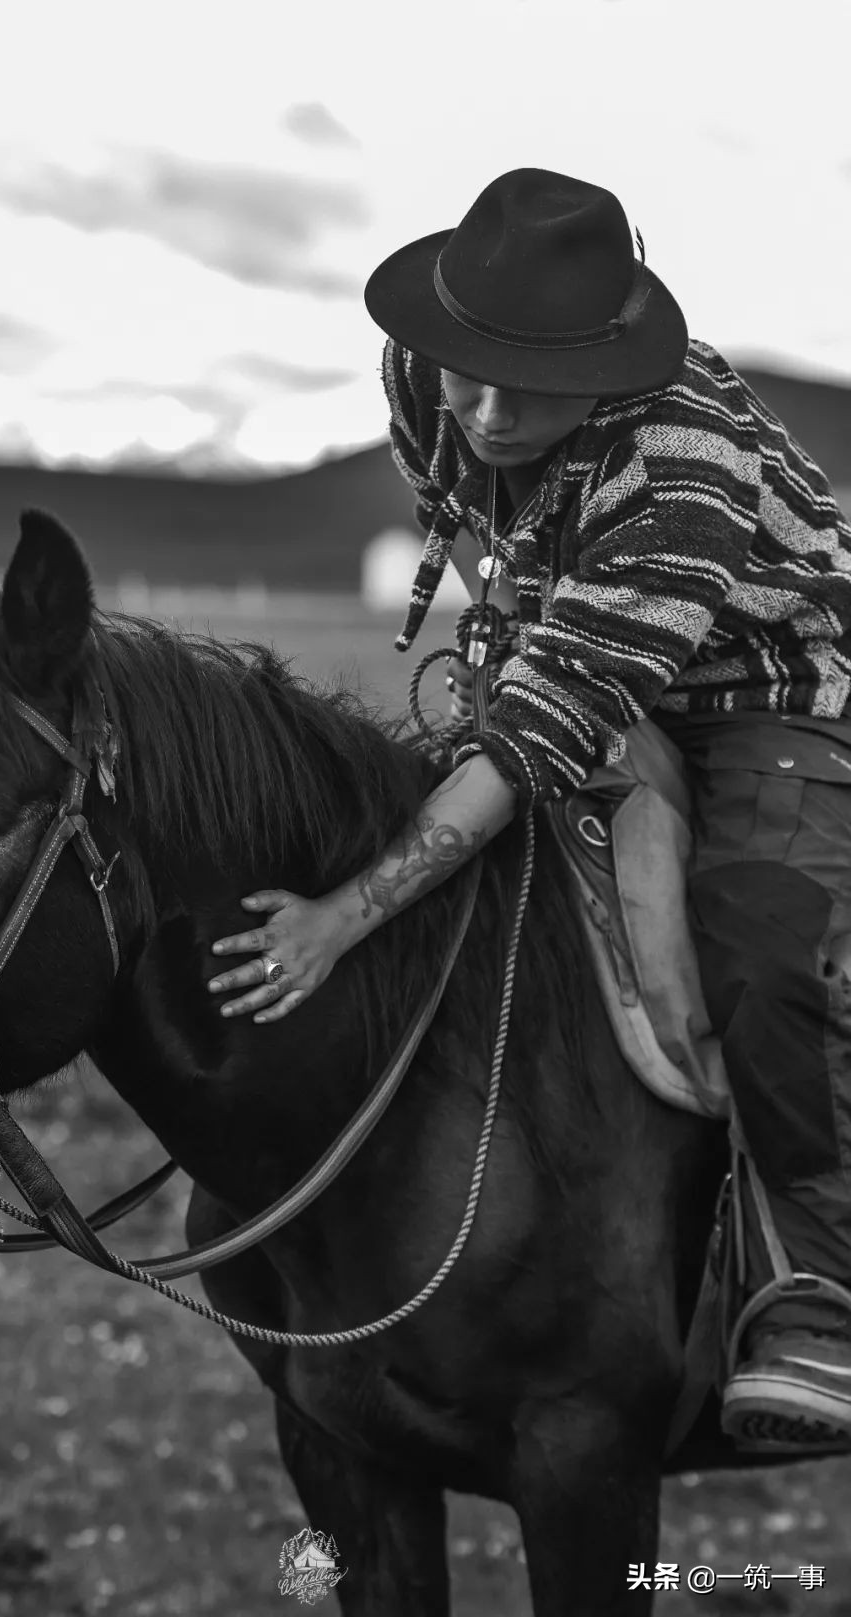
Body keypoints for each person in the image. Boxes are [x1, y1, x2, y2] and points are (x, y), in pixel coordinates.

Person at [207, 167, 851, 1452]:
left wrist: (345, 914)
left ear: (608, 365)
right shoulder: (419, 369)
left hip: (777, 687)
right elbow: (489, 530)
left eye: (530, 385)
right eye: (468, 373)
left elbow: (543, 736)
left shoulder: (685, 465)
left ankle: (819, 1285)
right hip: (582, 639)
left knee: (763, 940)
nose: (488, 413)